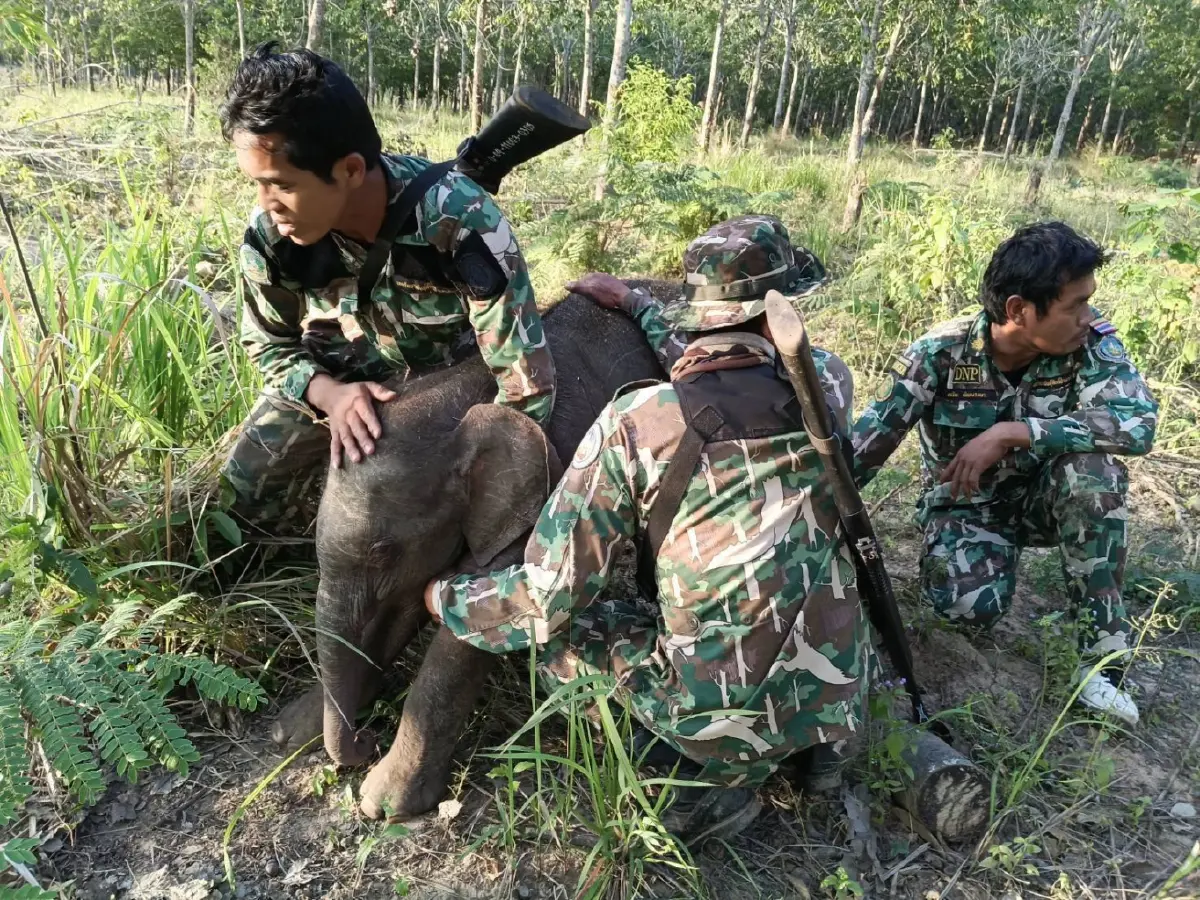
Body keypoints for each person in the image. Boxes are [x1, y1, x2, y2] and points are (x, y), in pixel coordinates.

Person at [423, 215, 869, 842]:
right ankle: (817, 754)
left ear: (700, 316)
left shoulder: (638, 421)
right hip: (832, 694)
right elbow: (725, 370)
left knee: (564, 630)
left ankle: (690, 784)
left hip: (719, 719)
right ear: (782, 313)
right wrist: (638, 306)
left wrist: (449, 600)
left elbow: (546, 600)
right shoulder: (832, 384)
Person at [217, 42, 554, 533]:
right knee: (239, 500)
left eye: (283, 185)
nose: (269, 204)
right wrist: (328, 393)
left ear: (350, 170)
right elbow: (268, 344)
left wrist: (471, 484)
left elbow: (526, 387)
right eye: (258, 185)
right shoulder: (271, 236)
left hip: (455, 375)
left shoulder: (460, 222)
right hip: (350, 366)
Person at [852, 221, 1157, 726]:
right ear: (1018, 309)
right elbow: (865, 448)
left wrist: (1016, 432)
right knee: (968, 610)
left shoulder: (1089, 345)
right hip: (967, 509)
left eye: (1088, 301)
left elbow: (1137, 424)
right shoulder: (940, 353)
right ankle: (981, 563)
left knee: (1094, 473)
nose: (1088, 316)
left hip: (1045, 498)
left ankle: (1102, 662)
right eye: (1074, 305)